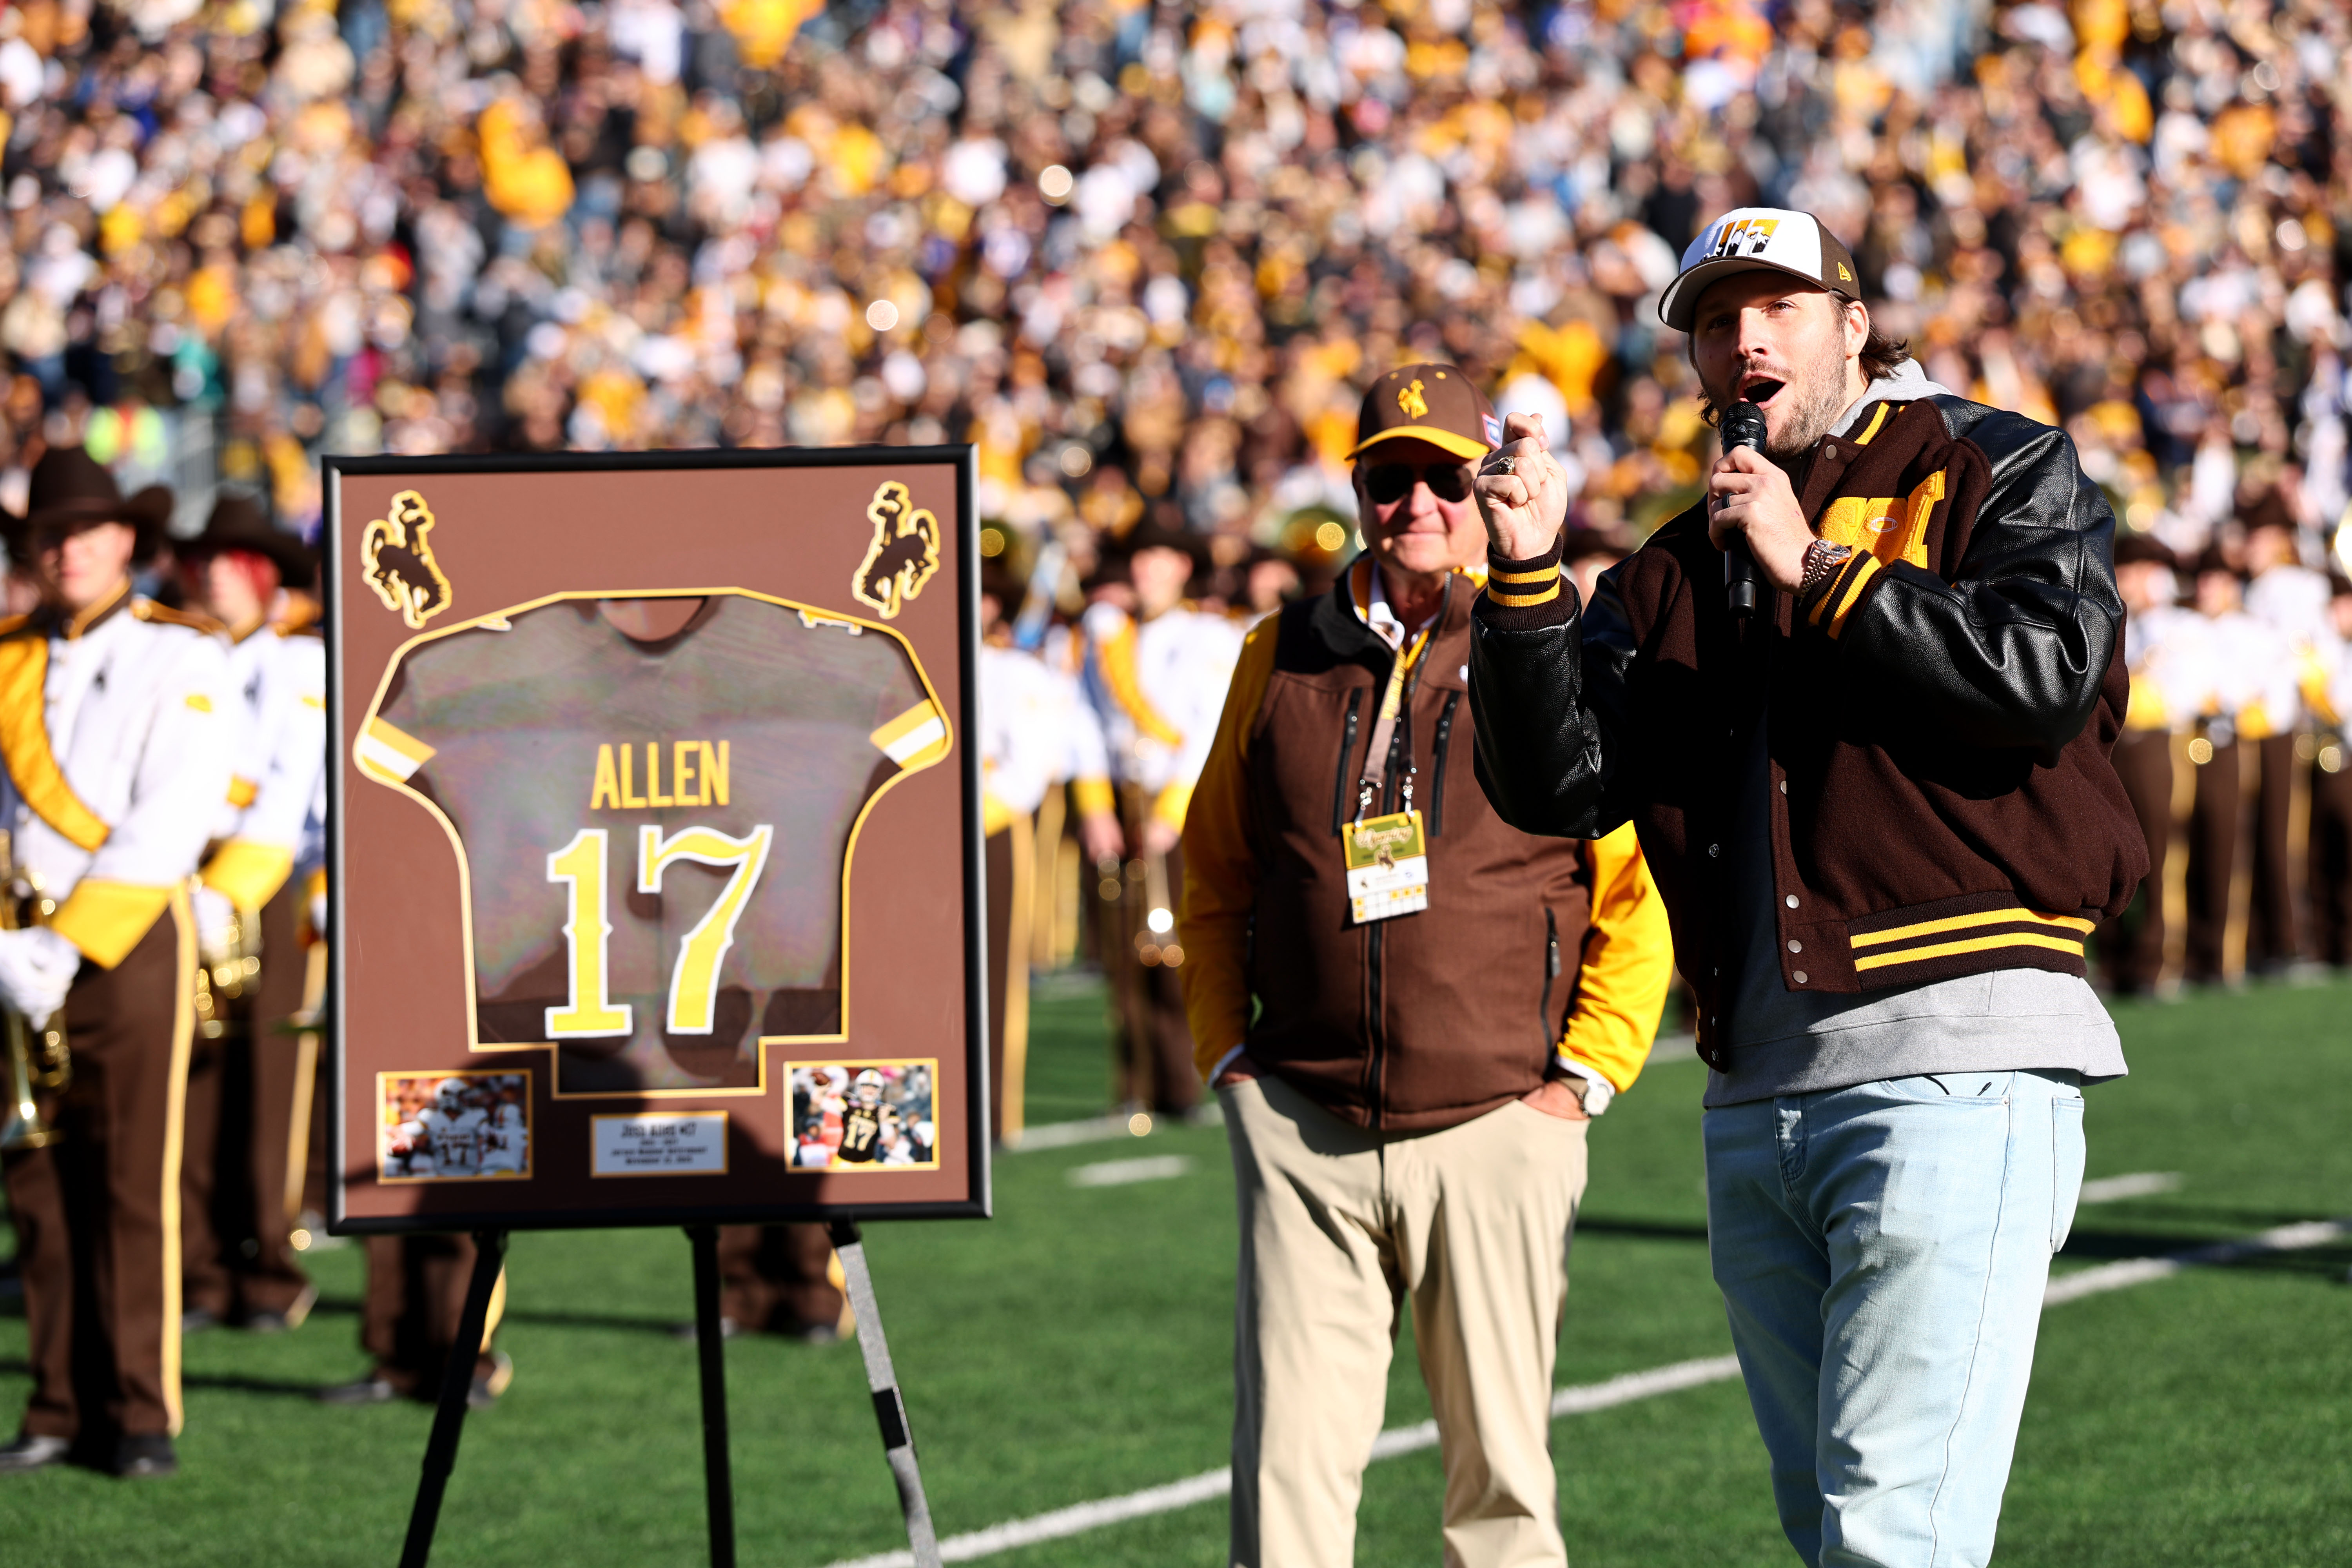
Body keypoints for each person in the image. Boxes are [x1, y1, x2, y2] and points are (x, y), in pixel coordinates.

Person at [1467, 209, 2146, 1568]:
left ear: (1854, 322)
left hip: (1955, 1051)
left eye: (1776, 306)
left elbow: (2043, 677)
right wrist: (1531, 582)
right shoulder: (1678, 558)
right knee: (1834, 1532)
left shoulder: (1992, 464)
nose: (1744, 340)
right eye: (1716, 322)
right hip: (1761, 1087)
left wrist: (1823, 572)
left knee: (1896, 1537)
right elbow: (1560, 787)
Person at [1180, 363, 1674, 1568]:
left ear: (1485, 486)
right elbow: (1211, 875)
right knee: (1284, 1481)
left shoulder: (1549, 634)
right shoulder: (1277, 652)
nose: (1415, 504)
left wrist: (1581, 1082)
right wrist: (1226, 1058)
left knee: (1501, 1486)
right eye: (1388, 478)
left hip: (1498, 1114)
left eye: (1442, 479)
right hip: (1304, 1119)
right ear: (1357, 489)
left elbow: (1632, 889)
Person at [0, 448, 234, 1479]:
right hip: (12, 952)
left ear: (127, 541)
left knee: (135, 1180)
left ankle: (141, 1411)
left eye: (87, 530)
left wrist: (65, 941)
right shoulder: (6, 654)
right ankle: (55, 1404)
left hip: (127, 944)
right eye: (50, 533)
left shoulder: (182, 654)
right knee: (37, 1183)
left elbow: (175, 815)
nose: (67, 548)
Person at [176, 493, 329, 1335]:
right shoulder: (190, 657)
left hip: (269, 883)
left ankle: (269, 1268)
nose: (213, 575)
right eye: (208, 561)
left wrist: (224, 887)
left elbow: (285, 794)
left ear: (267, 578)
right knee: (198, 1082)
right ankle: (199, 1265)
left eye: (234, 562)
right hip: (186, 877)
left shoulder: (298, 664)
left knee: (270, 1084)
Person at [1073, 516, 1243, 1118]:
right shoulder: (1110, 637)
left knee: (1174, 944)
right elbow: (1087, 722)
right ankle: (1134, 1083)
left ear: (1183, 569)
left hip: (1181, 801)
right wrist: (1095, 809)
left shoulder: (1208, 638)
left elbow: (1206, 731)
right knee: (1122, 949)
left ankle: (1186, 1080)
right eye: (1142, 560)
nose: (1148, 571)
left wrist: (1171, 813)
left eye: (1162, 560)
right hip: (1123, 799)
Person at [2104, 535, 2206, 997]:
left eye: (2142, 571)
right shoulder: (2107, 618)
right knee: (2108, 855)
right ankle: (2113, 961)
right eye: (2129, 570)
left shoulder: (2176, 626)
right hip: (2114, 745)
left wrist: (2141, 685)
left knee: (2162, 856)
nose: (2136, 580)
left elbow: (2182, 695)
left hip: (2157, 744)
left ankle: (2160, 962)